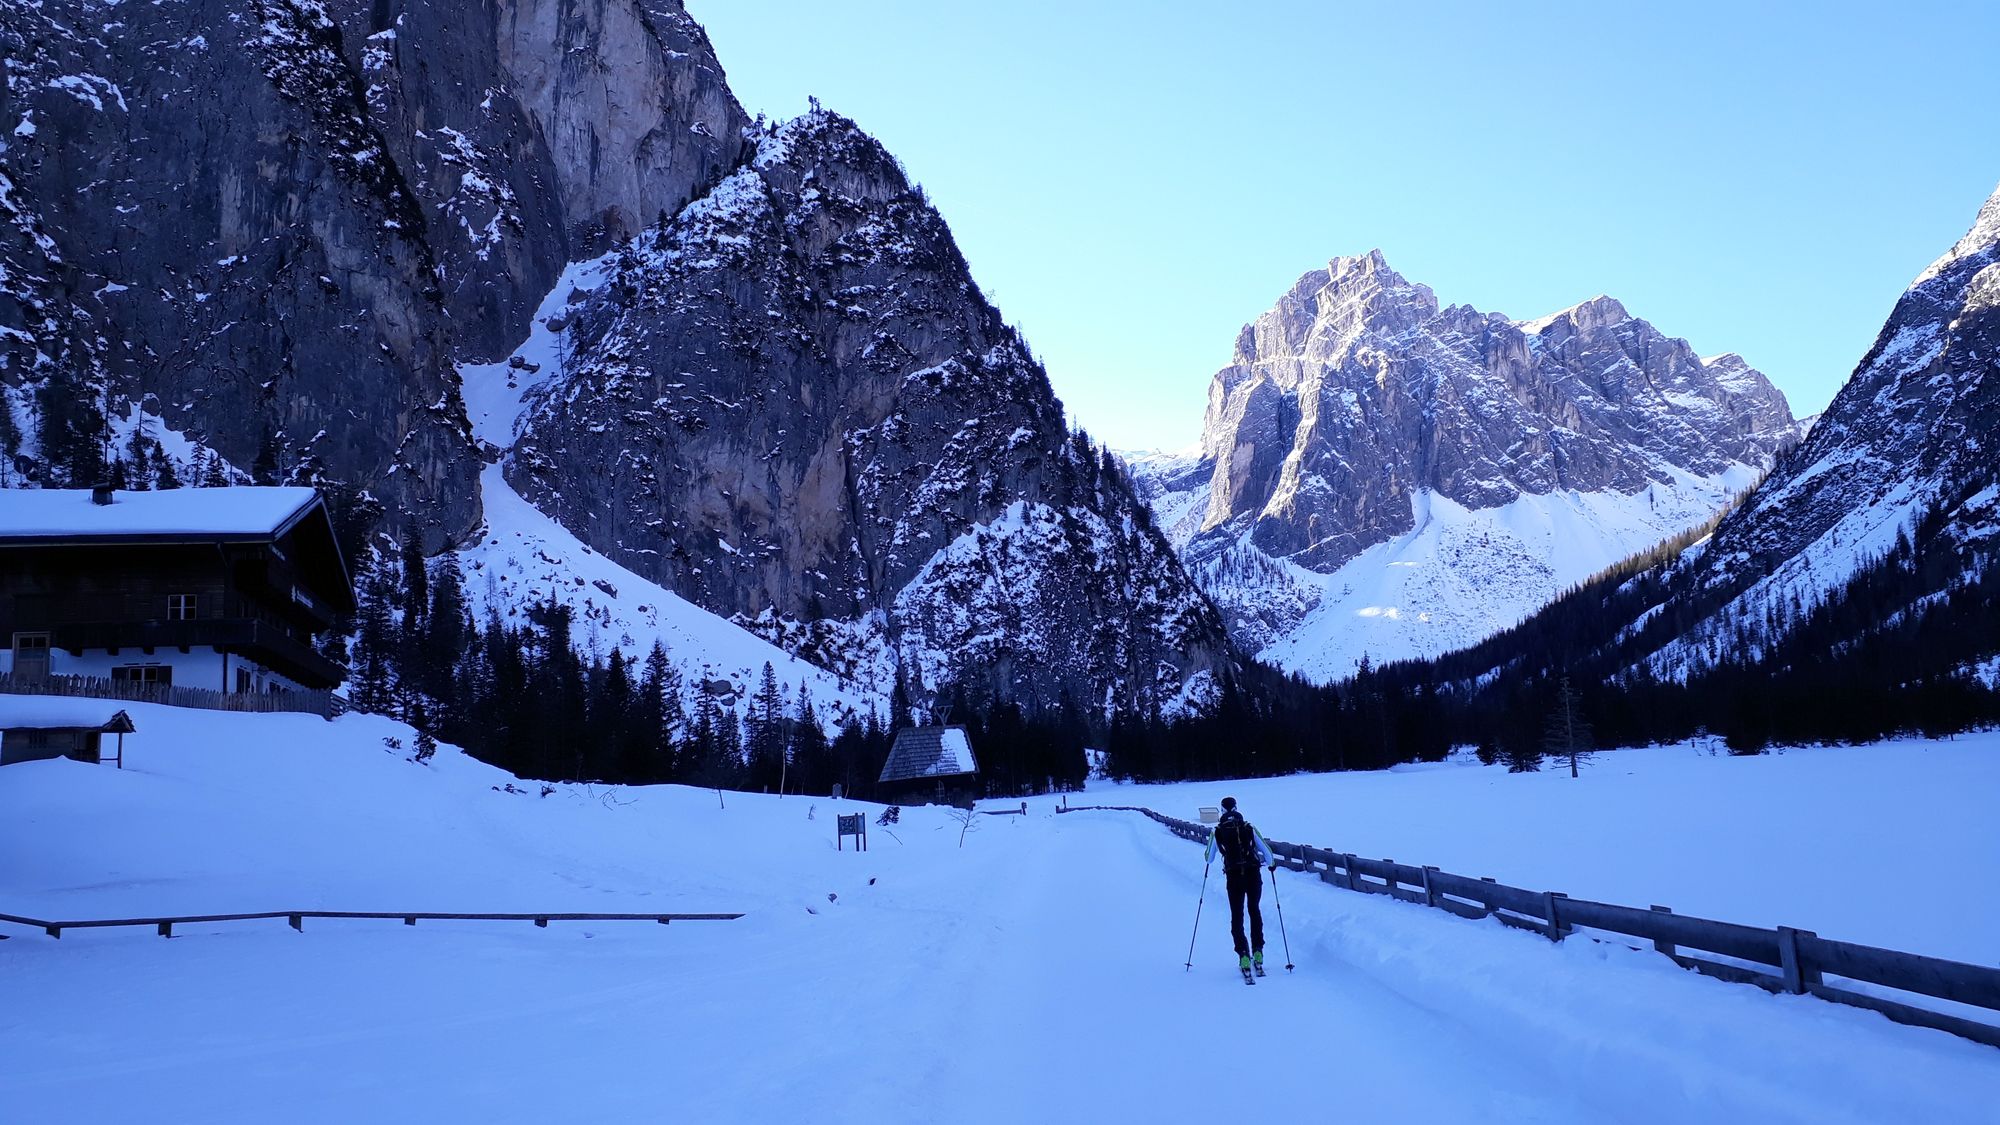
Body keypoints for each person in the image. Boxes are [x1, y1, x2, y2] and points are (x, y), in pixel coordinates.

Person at [1204, 796, 1275, 976]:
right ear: (1236, 808)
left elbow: (1209, 858)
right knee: (1254, 910)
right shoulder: (1248, 827)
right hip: (1253, 874)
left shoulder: (1217, 830)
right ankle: (1258, 951)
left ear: (1222, 810)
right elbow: (1268, 854)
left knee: (1237, 914)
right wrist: (1271, 865)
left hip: (1233, 876)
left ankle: (1243, 953)